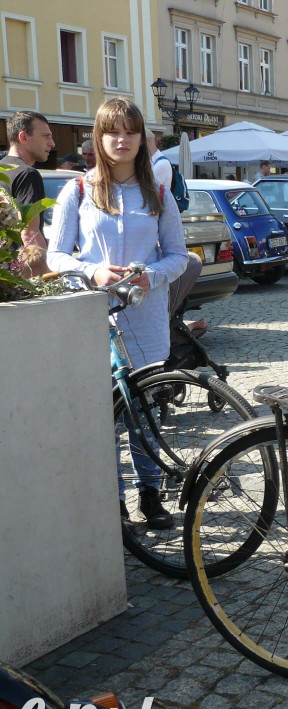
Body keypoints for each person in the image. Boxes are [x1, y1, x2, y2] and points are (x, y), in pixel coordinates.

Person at [47, 98, 190, 530]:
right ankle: (114, 499)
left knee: (142, 411)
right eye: (113, 132)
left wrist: (152, 276)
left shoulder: (159, 194)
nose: (122, 140)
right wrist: (91, 269)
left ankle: (149, 494)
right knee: (104, 415)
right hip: (93, 318)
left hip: (144, 317)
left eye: (130, 132)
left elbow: (178, 257)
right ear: (100, 137)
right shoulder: (78, 191)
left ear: (141, 139)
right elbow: (56, 255)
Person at [146, 130, 206, 344]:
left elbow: (149, 199)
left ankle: (167, 323)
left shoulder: (160, 165)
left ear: (146, 141)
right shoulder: (155, 163)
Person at [0, 110, 54, 248]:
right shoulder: (27, 174)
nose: (52, 143)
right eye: (46, 136)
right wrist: (46, 269)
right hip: (16, 267)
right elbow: (30, 235)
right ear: (24, 137)